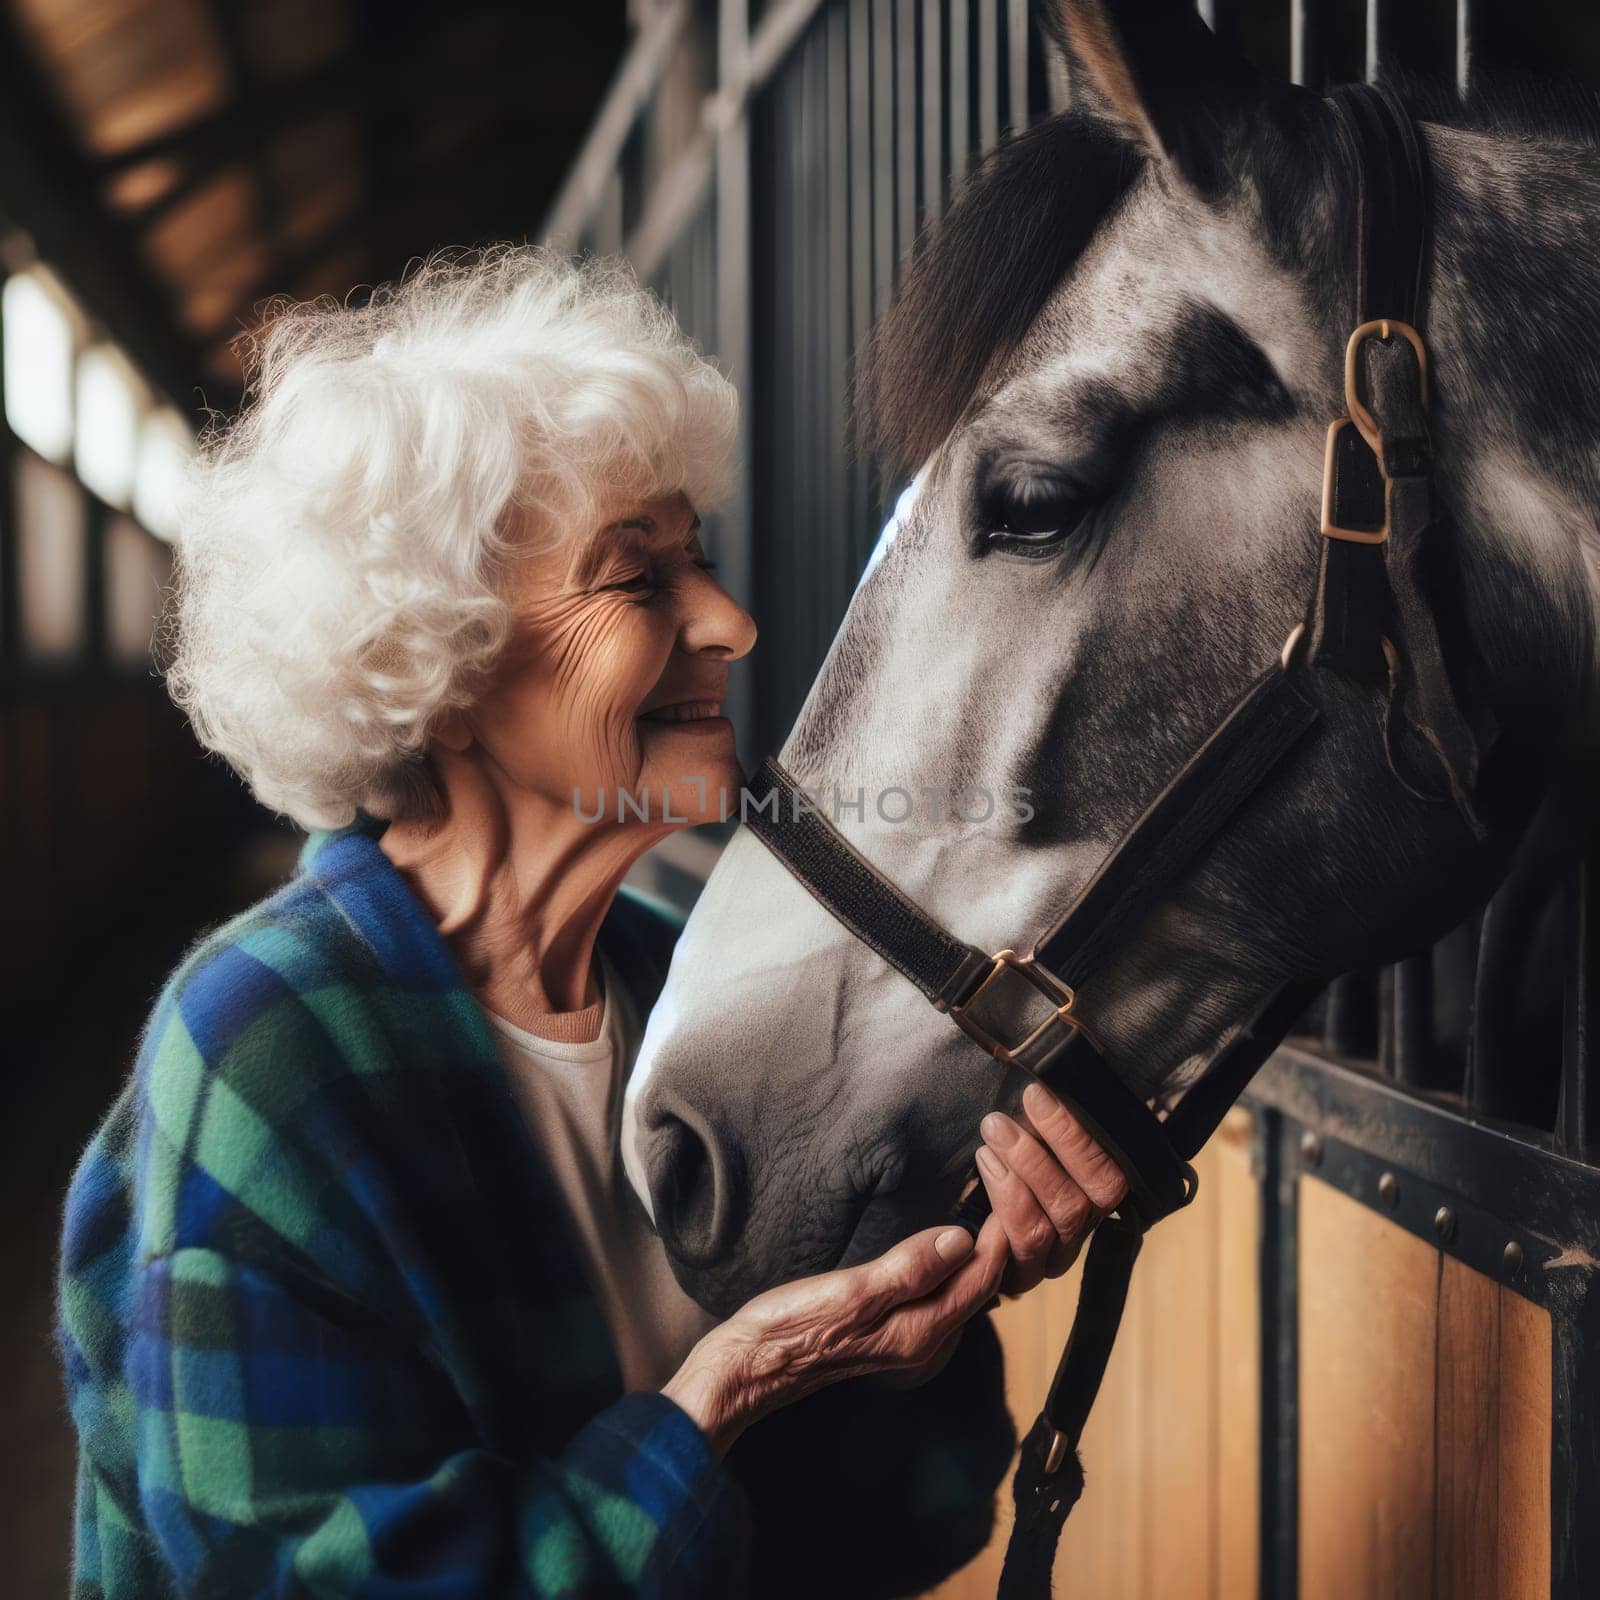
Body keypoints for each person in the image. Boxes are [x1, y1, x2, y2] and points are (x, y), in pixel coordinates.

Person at [57, 247, 1127, 1598]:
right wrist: (713, 1403)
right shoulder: (265, 1049)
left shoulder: (679, 990)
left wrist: (932, 1308)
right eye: (637, 581)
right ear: (432, 664)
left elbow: (888, 1533)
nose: (730, 623)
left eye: (704, 564)